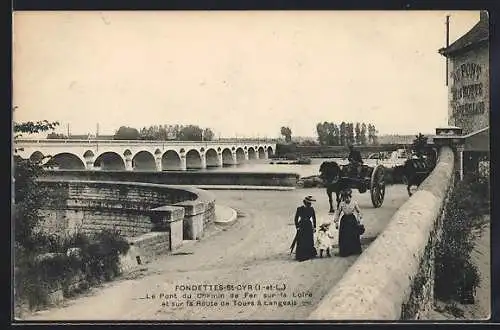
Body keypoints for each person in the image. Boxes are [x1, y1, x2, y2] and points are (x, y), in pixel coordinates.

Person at [333, 188, 364, 257]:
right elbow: (338, 213)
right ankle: (345, 251)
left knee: (353, 234)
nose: (347, 199)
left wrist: (359, 218)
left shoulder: (354, 203)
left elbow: (359, 212)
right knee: (345, 236)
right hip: (344, 220)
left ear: (350, 197)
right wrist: (336, 222)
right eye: (345, 198)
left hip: (352, 220)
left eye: (348, 197)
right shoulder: (341, 204)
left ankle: (354, 250)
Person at [292, 196, 317, 261]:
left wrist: (314, 227)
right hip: (302, 225)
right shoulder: (299, 209)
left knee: (309, 239)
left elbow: (314, 218)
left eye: (310, 203)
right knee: (301, 240)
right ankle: (301, 255)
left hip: (308, 225)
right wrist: (297, 227)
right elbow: (296, 219)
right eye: (308, 203)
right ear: (305, 203)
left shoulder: (311, 209)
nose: (310, 204)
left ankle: (309, 254)